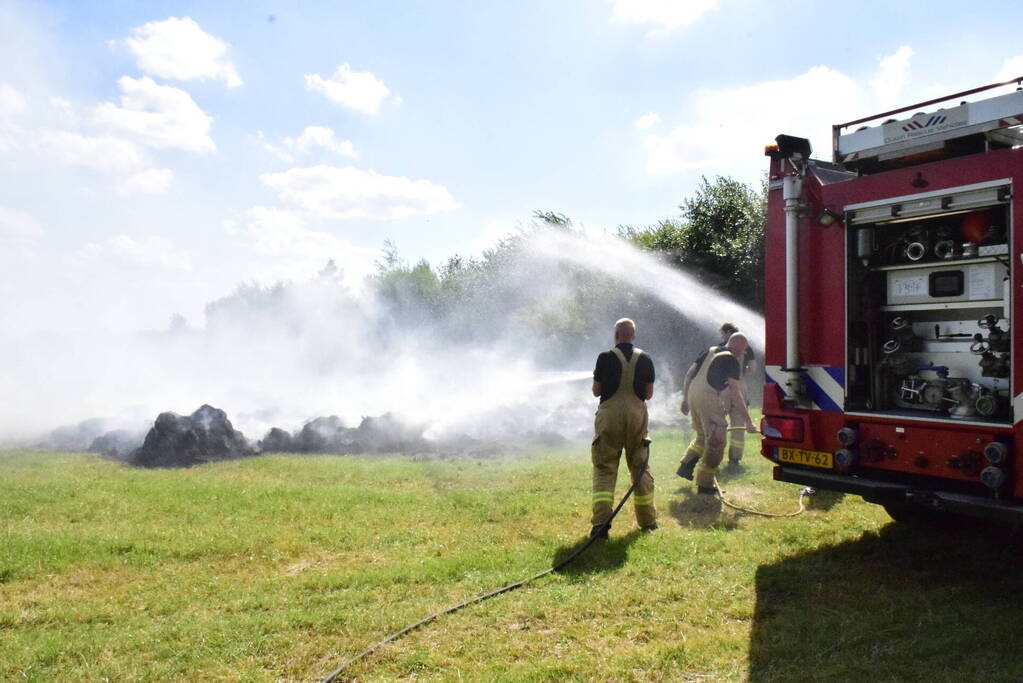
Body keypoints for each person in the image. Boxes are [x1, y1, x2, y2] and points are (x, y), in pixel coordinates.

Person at [589, 318, 657, 538]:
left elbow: (596, 391)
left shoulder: (605, 358)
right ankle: (648, 522)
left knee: (605, 468)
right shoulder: (645, 359)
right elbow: (648, 394)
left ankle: (601, 526)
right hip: (636, 417)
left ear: (616, 335)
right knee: (640, 467)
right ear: (633, 336)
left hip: (609, 417)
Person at [676, 332, 757, 495]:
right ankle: (705, 486)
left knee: (701, 436)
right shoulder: (731, 360)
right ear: (737, 344)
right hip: (708, 398)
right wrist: (748, 421)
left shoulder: (710, 350)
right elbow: (736, 391)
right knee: (717, 442)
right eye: (744, 349)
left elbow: (689, 374)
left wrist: (685, 398)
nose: (744, 353)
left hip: (694, 395)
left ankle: (685, 466)